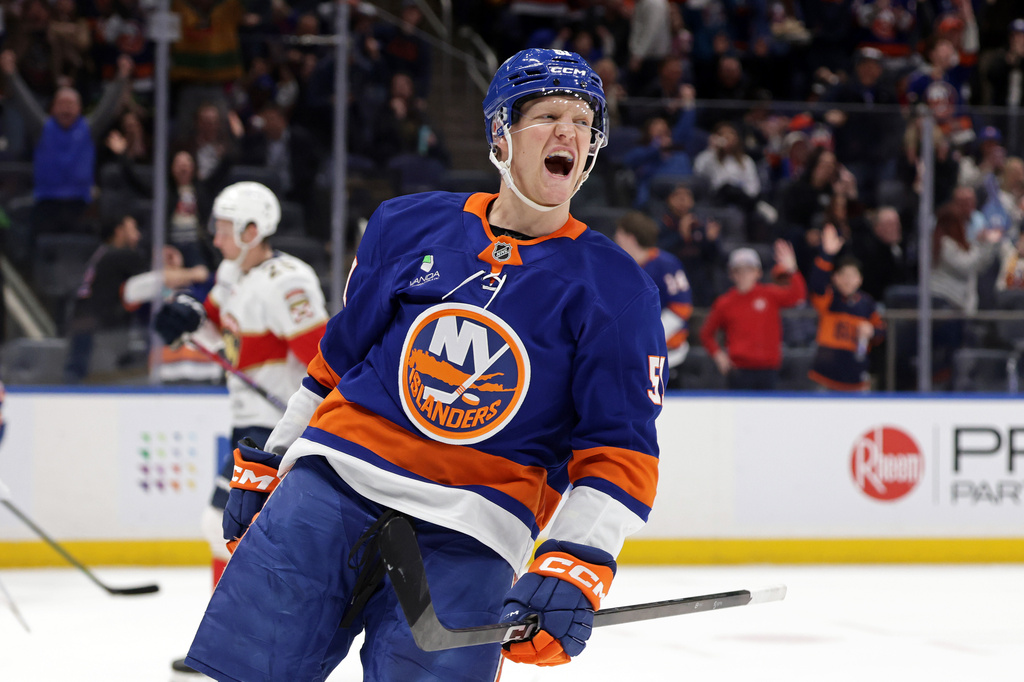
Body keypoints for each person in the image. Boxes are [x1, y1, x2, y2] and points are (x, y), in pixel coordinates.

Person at [182, 48, 666, 681]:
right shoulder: (407, 224)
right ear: (501, 134)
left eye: (582, 122)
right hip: (332, 484)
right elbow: (336, 361)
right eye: (548, 116)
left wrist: (576, 559)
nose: (568, 134)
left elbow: (620, 450)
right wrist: (276, 455)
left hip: (472, 529)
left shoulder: (617, 289)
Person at [153, 182, 329, 676]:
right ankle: (232, 643)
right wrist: (187, 315)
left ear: (253, 230)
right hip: (247, 421)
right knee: (229, 529)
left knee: (229, 527)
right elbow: (217, 328)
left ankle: (238, 644)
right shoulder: (233, 273)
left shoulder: (288, 283)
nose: (216, 237)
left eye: (225, 228)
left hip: (275, 428)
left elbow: (322, 358)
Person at [63, 214, 209, 383]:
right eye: (133, 229)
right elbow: (158, 279)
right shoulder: (121, 255)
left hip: (85, 324)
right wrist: (195, 273)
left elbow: (156, 287)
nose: (138, 235)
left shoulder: (102, 252)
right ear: (119, 231)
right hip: (102, 331)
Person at [700, 241, 806, 390]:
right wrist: (719, 356)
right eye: (739, 270)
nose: (744, 275)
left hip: (768, 368)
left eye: (749, 270)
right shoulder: (724, 303)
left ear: (758, 273)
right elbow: (706, 334)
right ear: (731, 274)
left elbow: (798, 296)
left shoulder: (769, 295)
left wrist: (792, 270)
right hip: (739, 370)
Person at [614, 211, 693, 389]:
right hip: (632, 357)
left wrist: (645, 337)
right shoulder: (620, 267)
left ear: (630, 237)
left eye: (619, 233)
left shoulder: (666, 264)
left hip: (668, 357)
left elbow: (682, 309)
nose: (616, 238)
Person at [807, 224, 885, 392]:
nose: (848, 280)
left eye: (852, 276)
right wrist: (827, 254)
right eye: (843, 275)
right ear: (835, 278)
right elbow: (817, 285)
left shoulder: (867, 304)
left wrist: (872, 331)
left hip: (856, 379)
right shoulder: (830, 299)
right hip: (825, 378)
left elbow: (881, 332)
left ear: (860, 279)